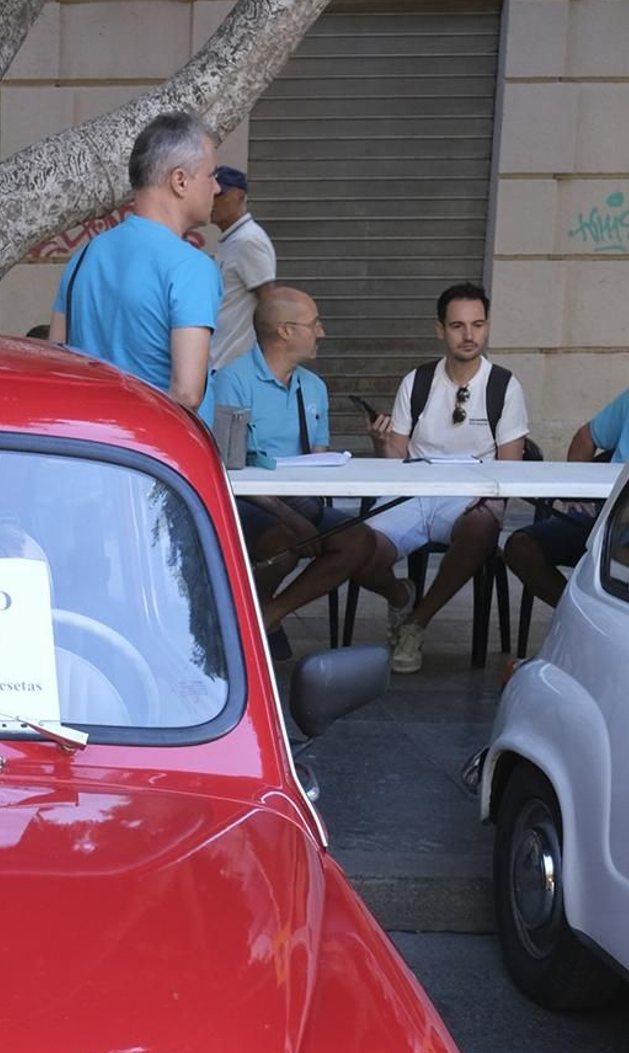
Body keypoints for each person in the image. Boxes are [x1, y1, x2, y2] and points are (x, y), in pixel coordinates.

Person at [364, 282, 529, 675]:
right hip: (413, 494)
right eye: (457, 326)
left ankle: (417, 622)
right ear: (440, 329)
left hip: (470, 499)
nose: (469, 335)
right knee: (353, 544)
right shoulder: (417, 382)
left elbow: (510, 469)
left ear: (487, 327)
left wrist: (489, 497)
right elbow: (395, 461)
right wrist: (381, 442)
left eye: (477, 325)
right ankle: (399, 594)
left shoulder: (504, 386)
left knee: (481, 526)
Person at [212, 284, 386, 638]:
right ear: (286, 331)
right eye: (315, 323)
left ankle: (268, 617)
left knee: (358, 539)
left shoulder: (314, 387)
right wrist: (292, 518)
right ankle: (239, 628)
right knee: (282, 542)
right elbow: (229, 471)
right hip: (248, 501)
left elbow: (318, 464)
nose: (322, 332)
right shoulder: (233, 380)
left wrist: (307, 513)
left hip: (297, 499)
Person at [62, 116, 222, 411]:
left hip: (90, 445)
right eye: (211, 175)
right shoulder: (191, 268)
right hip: (156, 452)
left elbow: (58, 360)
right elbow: (187, 396)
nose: (217, 188)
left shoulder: (83, 257)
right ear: (180, 181)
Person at [502, 380, 629, 610]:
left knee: (619, 560)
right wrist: (576, 494)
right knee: (521, 548)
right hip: (608, 515)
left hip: (627, 530)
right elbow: (585, 437)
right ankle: (580, 615)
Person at [209, 165, 277, 369]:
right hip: (219, 363)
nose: (212, 201)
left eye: (219, 195)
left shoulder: (248, 241)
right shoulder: (231, 240)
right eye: (209, 194)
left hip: (232, 366)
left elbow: (269, 301)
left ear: (239, 195)